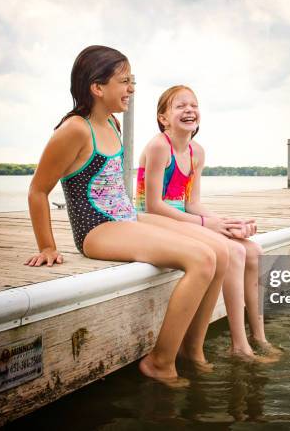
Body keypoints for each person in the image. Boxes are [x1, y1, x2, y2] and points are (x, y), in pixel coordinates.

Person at [25, 46, 229, 386]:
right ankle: (160, 362)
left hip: (126, 218)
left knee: (220, 252)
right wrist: (47, 246)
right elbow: (37, 190)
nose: (131, 88)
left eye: (131, 81)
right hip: (98, 229)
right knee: (202, 260)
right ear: (97, 87)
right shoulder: (76, 129)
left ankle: (192, 351)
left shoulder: (112, 123)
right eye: (125, 81)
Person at [136, 85, 282, 361]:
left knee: (253, 250)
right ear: (163, 118)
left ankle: (259, 337)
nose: (189, 110)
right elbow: (153, 205)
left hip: (186, 218)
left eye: (194, 105)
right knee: (235, 251)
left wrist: (226, 222)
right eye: (180, 106)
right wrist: (206, 224)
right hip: (155, 220)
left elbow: (192, 202)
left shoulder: (197, 152)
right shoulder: (158, 146)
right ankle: (239, 346)